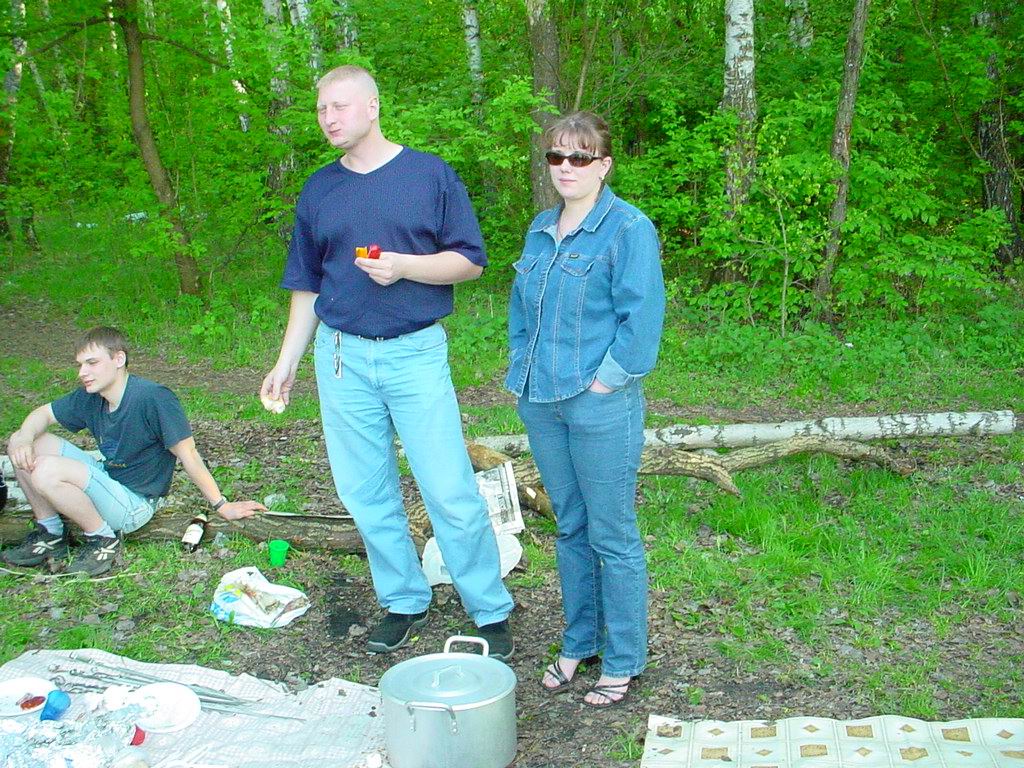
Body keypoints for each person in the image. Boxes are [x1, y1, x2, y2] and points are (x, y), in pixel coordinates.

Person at [260, 65, 515, 659]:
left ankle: (489, 608)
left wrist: (404, 266)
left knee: (448, 488)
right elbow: (307, 284)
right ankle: (403, 599)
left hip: (414, 354)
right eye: (321, 108)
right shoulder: (319, 189)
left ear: (373, 106)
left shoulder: (428, 174)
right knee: (366, 492)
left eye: (340, 106)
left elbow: (470, 262)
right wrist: (287, 360)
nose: (329, 118)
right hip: (341, 358)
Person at [506, 112, 665, 707]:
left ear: (603, 165)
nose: (566, 167)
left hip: (600, 405)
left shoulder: (629, 229)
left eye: (580, 156)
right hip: (540, 402)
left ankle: (622, 658)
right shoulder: (540, 228)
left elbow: (641, 321)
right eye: (556, 156)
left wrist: (605, 384)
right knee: (570, 525)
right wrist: (520, 367)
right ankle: (581, 640)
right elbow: (521, 310)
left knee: (612, 533)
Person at [3, 326, 265, 576]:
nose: (83, 372)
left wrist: (222, 505)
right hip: (109, 479)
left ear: (119, 359)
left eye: (92, 363)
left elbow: (189, 454)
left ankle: (103, 539)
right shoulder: (90, 396)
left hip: (135, 504)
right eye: (80, 365)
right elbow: (43, 414)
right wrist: (25, 437)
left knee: (46, 471)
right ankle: (50, 532)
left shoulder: (153, 398)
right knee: (21, 442)